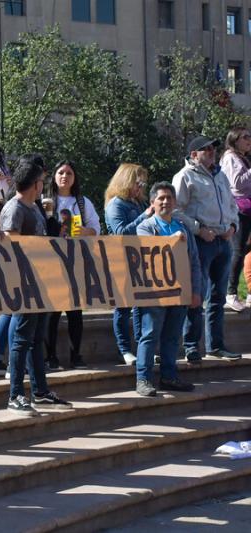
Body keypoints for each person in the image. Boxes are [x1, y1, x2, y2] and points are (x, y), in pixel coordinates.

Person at [0, 161, 72, 416]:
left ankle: (39, 390)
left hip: (41, 282)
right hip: (24, 283)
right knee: (21, 338)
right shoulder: (14, 208)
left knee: (35, 338)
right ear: (34, 183)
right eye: (42, 180)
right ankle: (15, 394)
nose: (45, 184)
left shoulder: (35, 208)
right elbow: (11, 246)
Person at [173, 136, 240, 363]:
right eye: (207, 149)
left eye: (214, 148)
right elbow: (176, 211)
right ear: (194, 155)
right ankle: (191, 346)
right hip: (201, 242)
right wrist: (199, 230)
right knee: (196, 295)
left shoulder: (220, 175)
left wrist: (233, 225)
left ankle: (216, 345)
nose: (212, 152)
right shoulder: (184, 177)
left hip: (224, 241)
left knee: (218, 297)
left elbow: (232, 204)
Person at [135, 182, 202, 396]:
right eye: (161, 198)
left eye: (169, 198)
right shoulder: (145, 226)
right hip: (154, 292)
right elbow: (146, 249)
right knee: (150, 334)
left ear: (174, 202)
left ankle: (168, 376)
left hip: (180, 291)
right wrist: (169, 240)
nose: (165, 202)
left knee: (172, 336)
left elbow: (194, 262)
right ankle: (143, 379)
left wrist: (196, 290)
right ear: (152, 203)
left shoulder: (183, 228)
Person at [46, 160, 101, 370]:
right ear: (54, 176)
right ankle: (50, 356)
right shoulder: (46, 201)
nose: (65, 176)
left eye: (69, 173)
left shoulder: (82, 202)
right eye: (60, 172)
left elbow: (96, 228)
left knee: (75, 311)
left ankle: (76, 354)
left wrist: (84, 232)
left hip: (76, 261)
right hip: (51, 262)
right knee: (51, 312)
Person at [104, 163, 154, 365]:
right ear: (126, 181)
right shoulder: (116, 204)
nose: (141, 186)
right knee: (123, 307)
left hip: (141, 260)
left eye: (143, 182)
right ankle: (124, 349)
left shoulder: (139, 203)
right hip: (121, 260)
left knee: (141, 306)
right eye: (138, 181)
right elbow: (121, 233)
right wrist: (145, 216)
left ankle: (142, 346)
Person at [220, 127, 251, 312]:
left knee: (246, 250)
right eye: (245, 137)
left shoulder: (242, 158)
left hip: (246, 210)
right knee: (238, 251)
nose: (249, 140)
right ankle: (230, 293)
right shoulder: (231, 157)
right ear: (234, 139)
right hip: (238, 211)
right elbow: (237, 184)